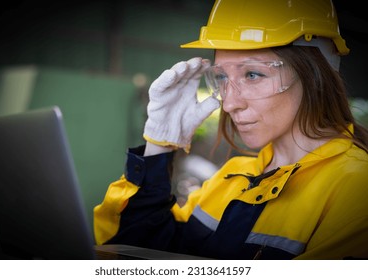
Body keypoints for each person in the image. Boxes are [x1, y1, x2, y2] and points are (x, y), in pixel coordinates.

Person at [94, 0, 368, 259]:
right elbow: (133, 255)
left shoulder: (356, 187)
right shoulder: (232, 178)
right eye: (222, 77)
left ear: (315, 74)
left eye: (252, 74)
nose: (230, 104)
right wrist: (159, 146)